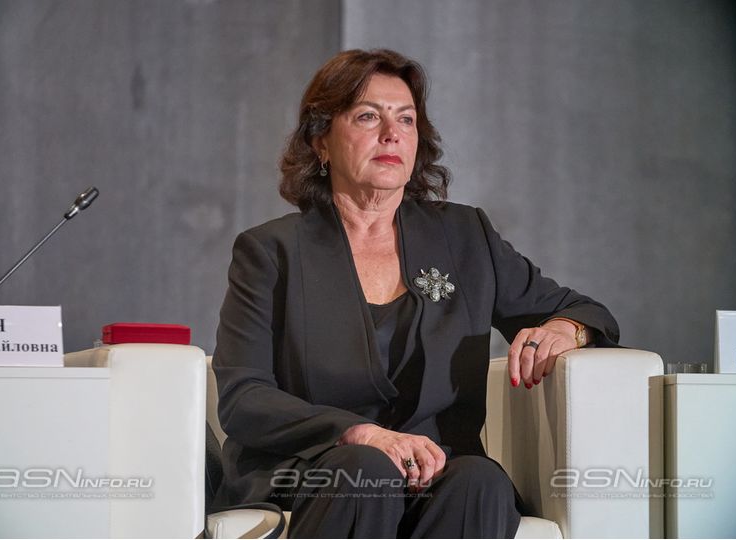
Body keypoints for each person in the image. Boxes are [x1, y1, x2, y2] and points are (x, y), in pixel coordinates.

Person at [211, 49, 619, 538]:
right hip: (312, 468)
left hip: (433, 469)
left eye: (405, 119)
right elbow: (244, 397)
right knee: (367, 470)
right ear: (321, 142)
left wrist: (567, 329)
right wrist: (357, 433)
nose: (392, 133)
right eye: (368, 116)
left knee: (481, 480)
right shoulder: (270, 251)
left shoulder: (464, 236)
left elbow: (583, 310)